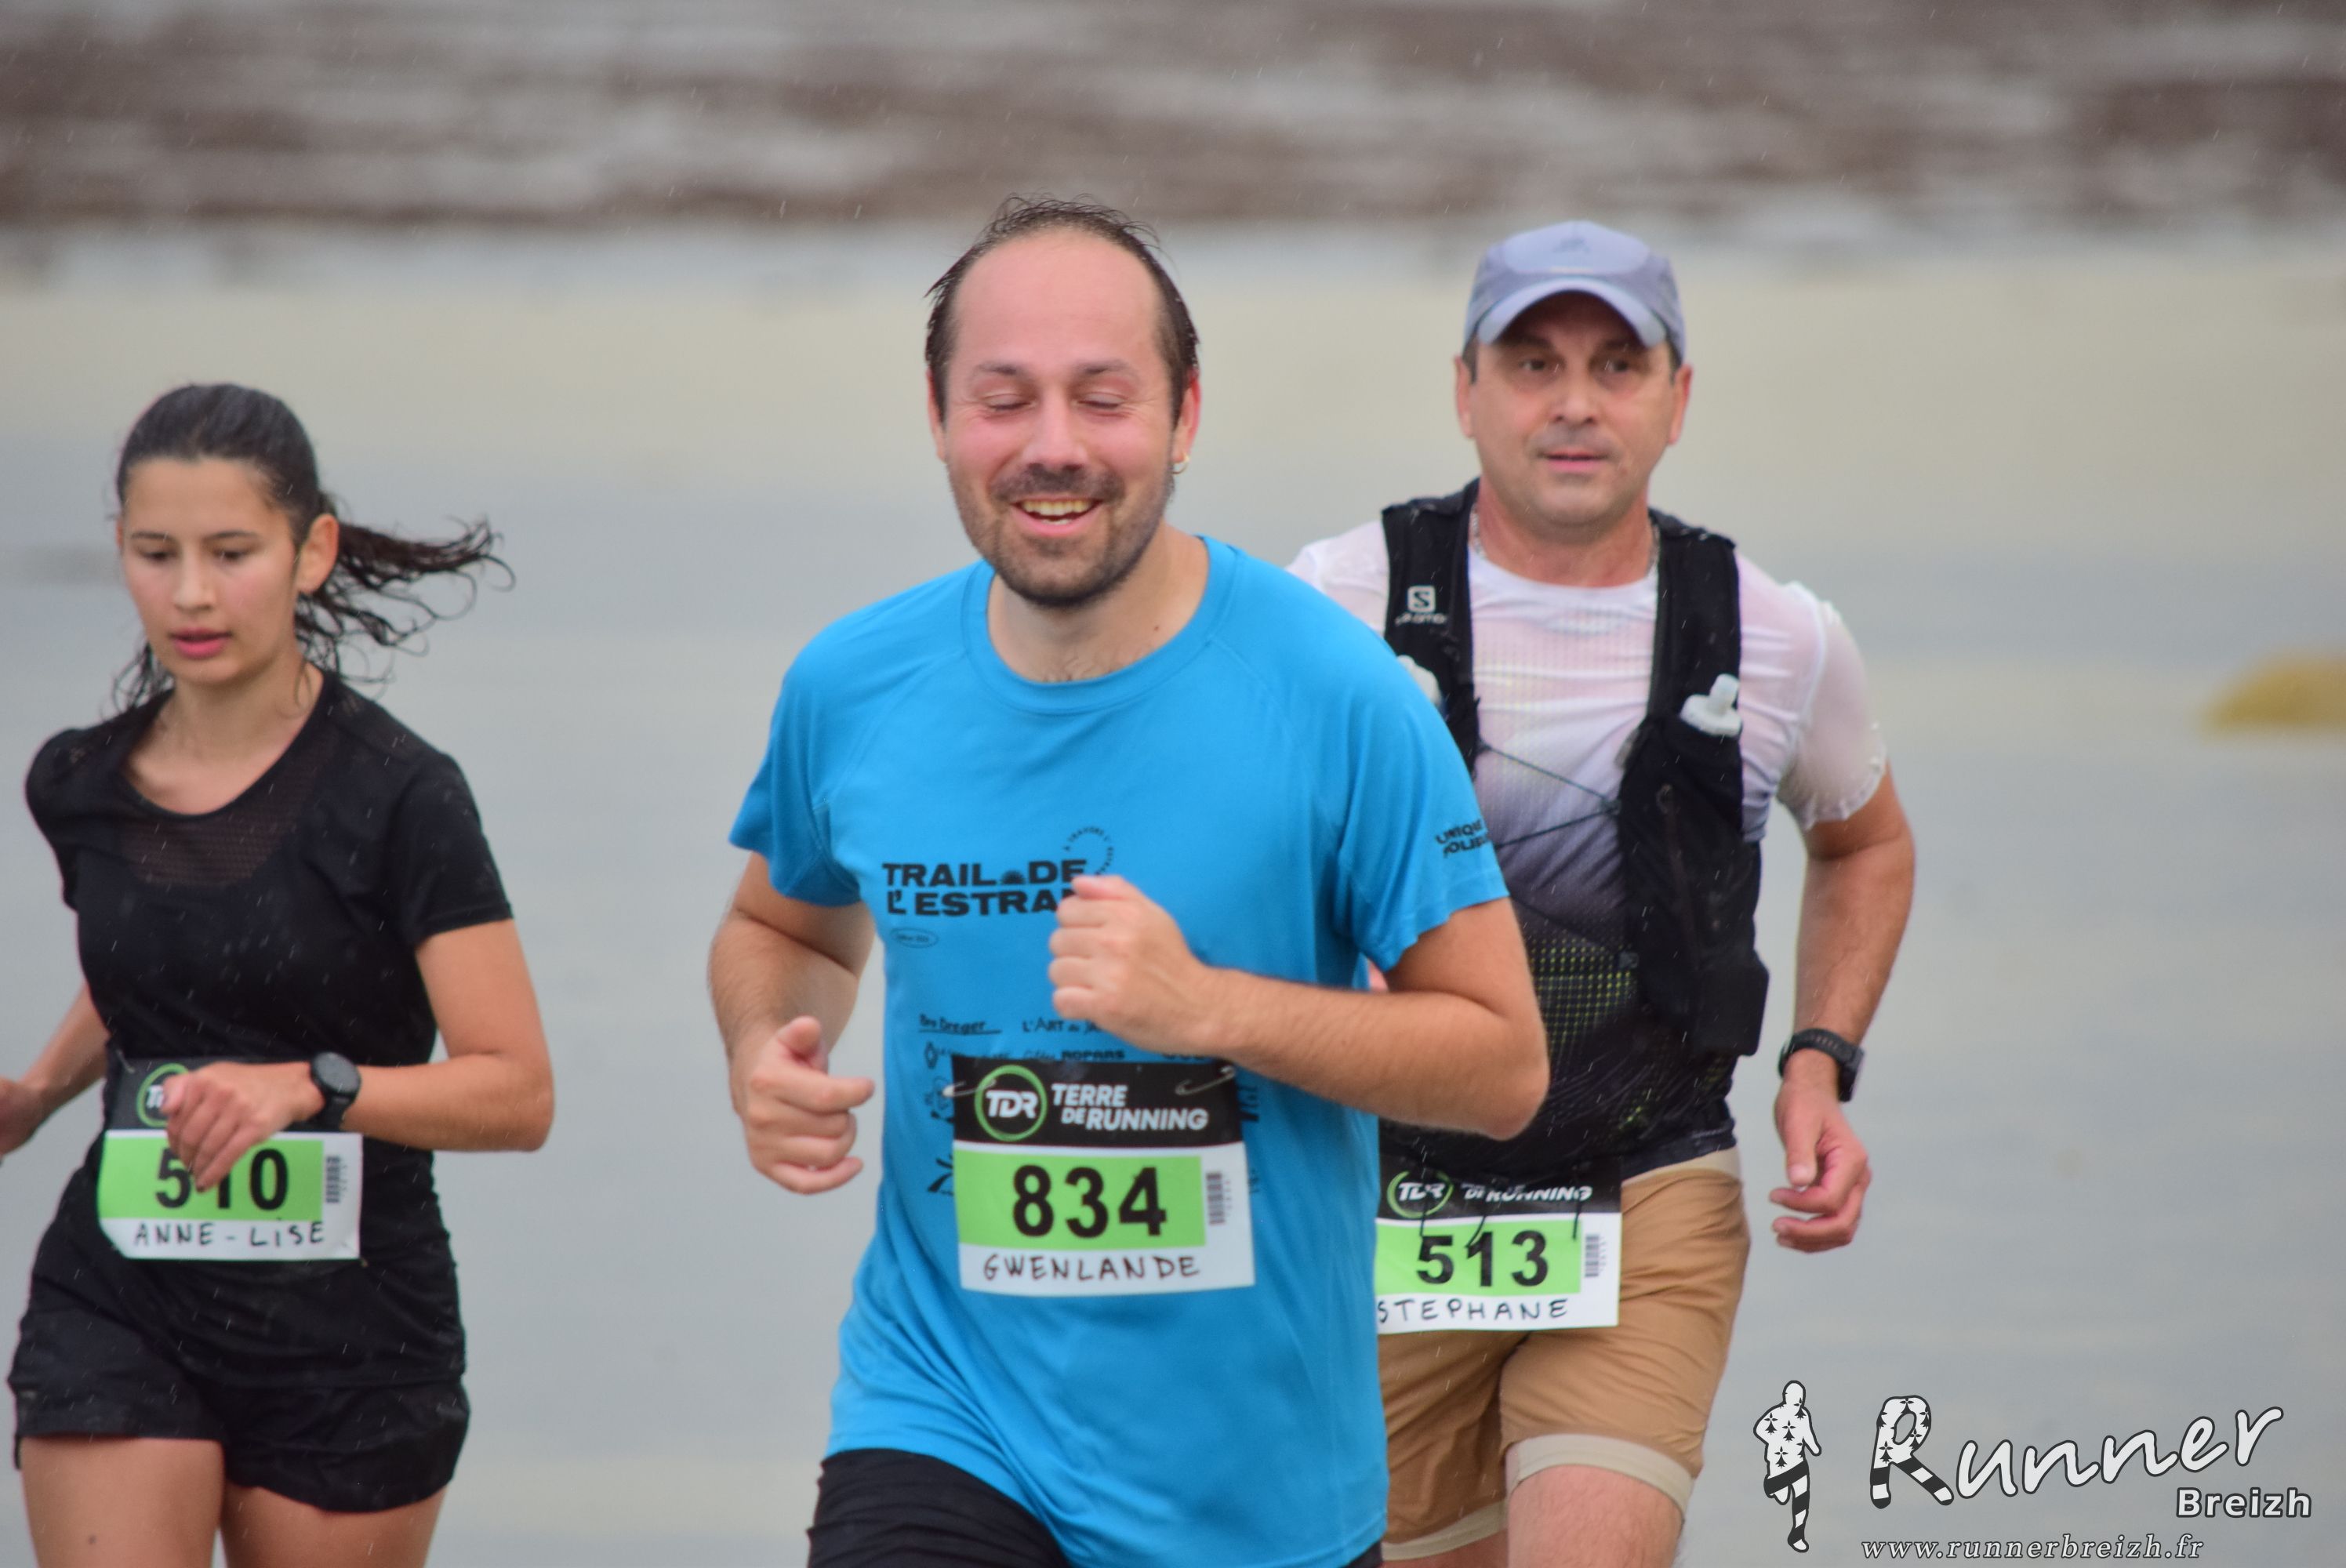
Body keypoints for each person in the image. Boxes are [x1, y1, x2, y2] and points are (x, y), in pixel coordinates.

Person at [710, 196, 1549, 1568]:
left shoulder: (1338, 697)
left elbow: (1502, 1066)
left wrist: (1210, 1008)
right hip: (942, 1411)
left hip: (1256, 1487)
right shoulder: (853, 687)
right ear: (939, 417)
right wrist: (765, 1045)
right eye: (1004, 400)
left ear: (1183, 415)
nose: (1053, 446)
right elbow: (779, 925)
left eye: (1103, 399)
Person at [1288, 220, 1916, 1568]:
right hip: (1381, 1202)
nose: (1574, 402)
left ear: (1677, 399)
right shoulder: (1334, 607)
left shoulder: (1777, 635)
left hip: (1650, 1191)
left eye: (1617, 365)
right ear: (1465, 390)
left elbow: (1864, 844)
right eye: (1533, 363)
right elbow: (1226, 846)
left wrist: (1819, 1063)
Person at [0, 384, 555, 1568]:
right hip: (123, 1292)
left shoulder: (402, 797)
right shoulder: (79, 784)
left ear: (312, 553)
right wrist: (39, 1092)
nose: (191, 594)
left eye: (231, 553)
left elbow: (517, 1094)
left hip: (351, 1326)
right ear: (120, 550)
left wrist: (311, 1086)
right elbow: (167, 960)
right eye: (157, 554)